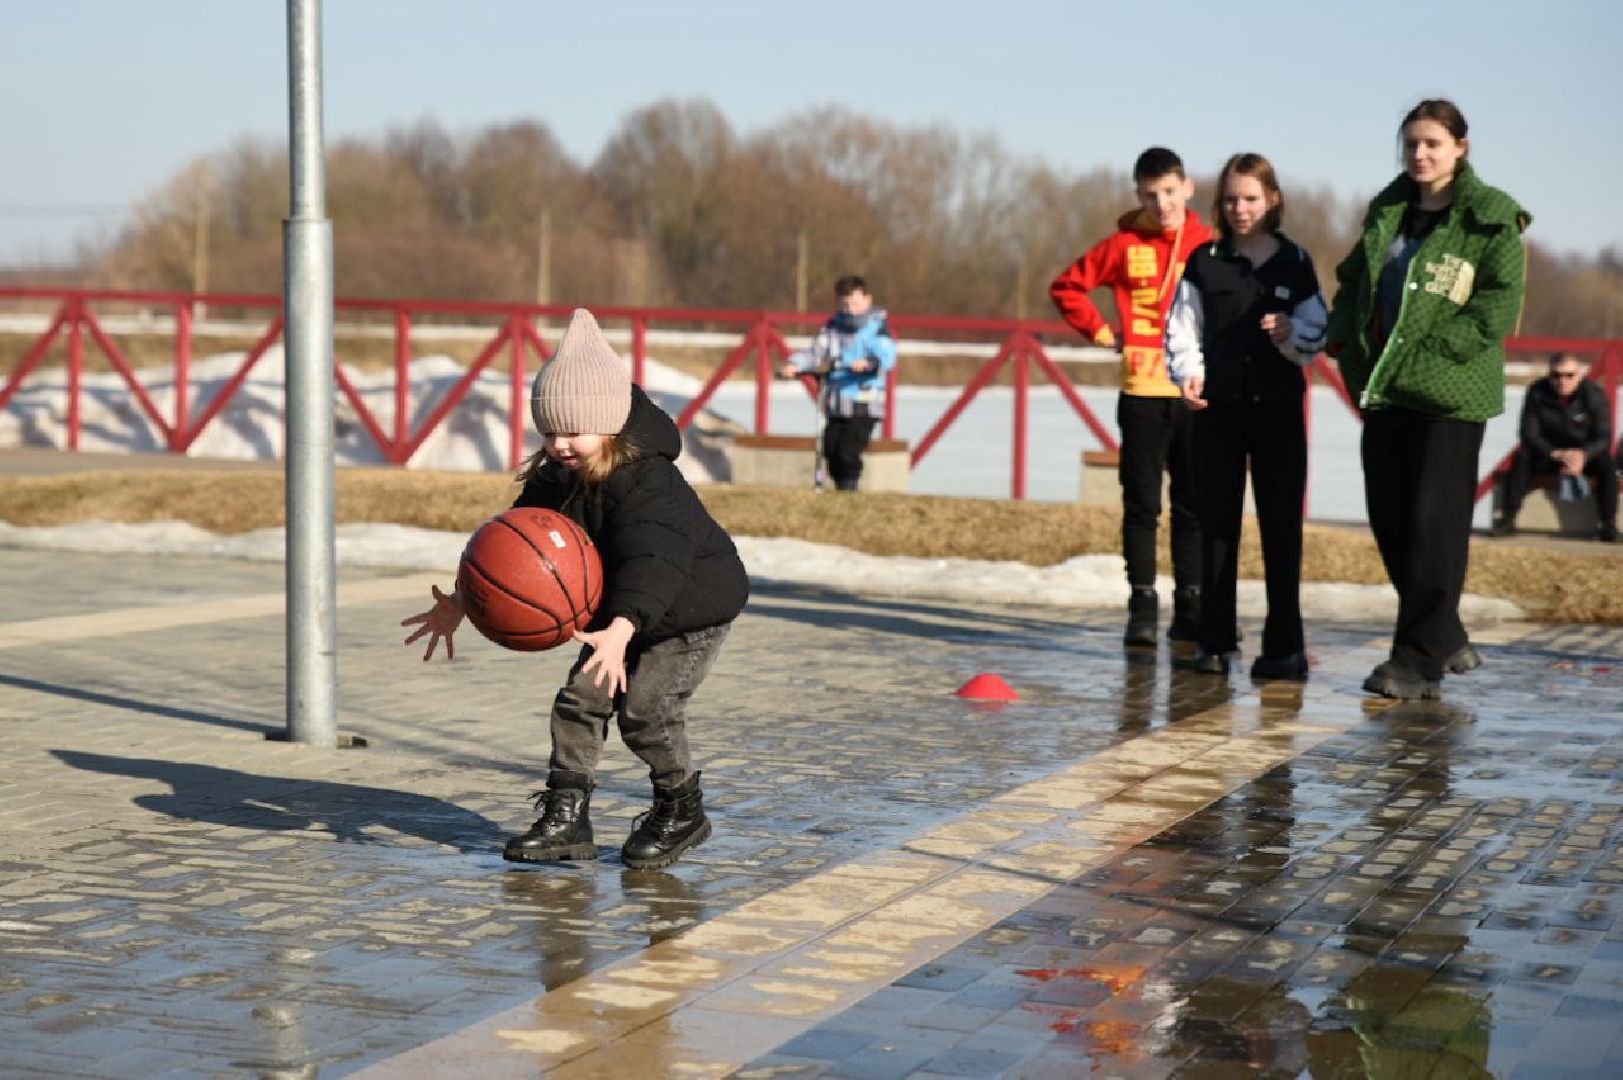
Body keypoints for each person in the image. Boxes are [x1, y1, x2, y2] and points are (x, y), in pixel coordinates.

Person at [402, 308, 749, 869]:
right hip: (621, 612)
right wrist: (465, 600)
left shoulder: (648, 479)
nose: (561, 443)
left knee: (647, 709)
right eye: (549, 430)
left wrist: (622, 630)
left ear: (610, 424)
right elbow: (518, 544)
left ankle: (681, 806)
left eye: (574, 431)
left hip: (687, 608)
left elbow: (655, 561)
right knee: (579, 702)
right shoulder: (557, 471)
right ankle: (566, 817)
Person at [1326, 99, 1531, 700]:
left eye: (1433, 144)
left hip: (1448, 394)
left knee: (1431, 528)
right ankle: (1444, 631)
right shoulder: (1387, 209)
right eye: (1411, 143)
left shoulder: (1490, 217)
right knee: (1390, 519)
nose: (1419, 155)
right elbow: (1353, 280)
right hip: (1385, 387)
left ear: (1460, 148)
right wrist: (1344, 335)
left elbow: (1497, 302)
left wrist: (1442, 351)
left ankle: (1416, 660)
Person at [1166, 153, 1328, 681]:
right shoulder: (1204, 260)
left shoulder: (1295, 261)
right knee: (1217, 526)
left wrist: (1291, 335)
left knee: (1281, 527)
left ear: (1273, 200)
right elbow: (1182, 327)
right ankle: (1215, 640)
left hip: (1279, 411)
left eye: (1252, 198)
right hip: (1218, 412)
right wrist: (1188, 371)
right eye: (1232, 199)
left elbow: (1317, 328)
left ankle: (1284, 647)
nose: (1241, 209)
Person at [1050, 147, 1214, 646]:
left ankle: (1191, 602)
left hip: (1196, 394)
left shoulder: (1211, 242)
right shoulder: (1122, 245)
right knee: (1142, 503)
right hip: (1141, 388)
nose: (1162, 203)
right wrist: (1102, 333)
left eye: (1169, 191)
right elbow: (1067, 287)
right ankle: (1141, 601)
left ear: (1187, 188)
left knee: (1192, 505)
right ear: (1137, 194)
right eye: (1150, 194)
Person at [779, 275, 897, 492]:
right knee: (830, 447)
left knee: (848, 452)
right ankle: (839, 489)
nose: (849, 308)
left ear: (867, 300)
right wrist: (794, 364)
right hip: (836, 401)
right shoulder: (833, 327)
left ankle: (849, 490)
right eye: (844, 303)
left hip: (864, 402)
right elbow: (815, 353)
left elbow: (887, 356)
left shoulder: (877, 327)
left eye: (854, 302)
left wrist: (869, 363)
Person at [1494, 352, 1618, 541]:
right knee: (1522, 458)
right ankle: (1507, 519)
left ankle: (1608, 525)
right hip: (1549, 454)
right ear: (1549, 375)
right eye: (1556, 375)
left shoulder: (1594, 395)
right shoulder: (1537, 392)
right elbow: (1529, 434)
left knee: (1607, 465)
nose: (1562, 381)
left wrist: (1583, 455)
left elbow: (1604, 437)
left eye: (1569, 375)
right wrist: (1555, 453)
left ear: (1579, 375)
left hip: (1584, 455)